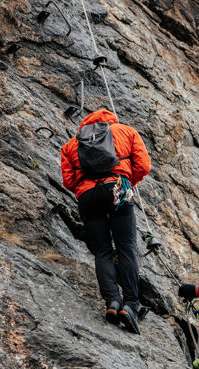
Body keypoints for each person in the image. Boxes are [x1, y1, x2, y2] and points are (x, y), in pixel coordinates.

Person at [61, 108, 151, 334]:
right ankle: (130, 305)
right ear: (110, 119)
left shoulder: (72, 144)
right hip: (117, 188)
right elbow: (144, 166)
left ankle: (112, 301)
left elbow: (69, 180)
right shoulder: (126, 132)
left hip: (87, 197)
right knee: (126, 248)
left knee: (102, 251)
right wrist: (127, 181)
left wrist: (85, 187)